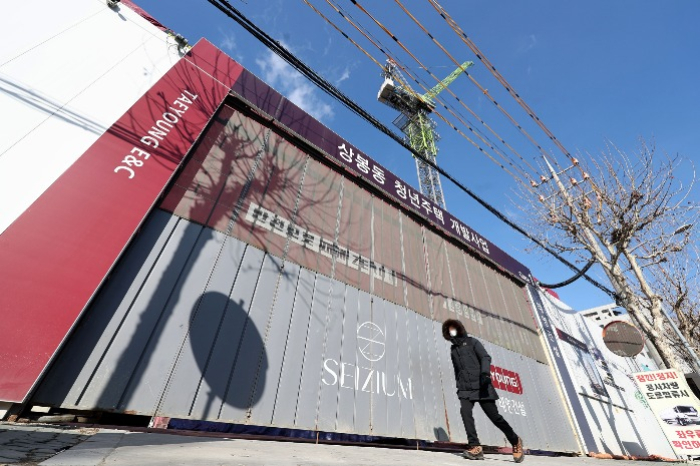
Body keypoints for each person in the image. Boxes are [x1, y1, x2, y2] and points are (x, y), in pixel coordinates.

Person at [442, 318, 524, 462]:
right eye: (449, 330)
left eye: (454, 328)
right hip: (465, 388)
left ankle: (515, 441)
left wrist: (485, 374)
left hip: (481, 384)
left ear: (459, 328)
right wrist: (459, 385)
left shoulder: (473, 342)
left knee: (495, 417)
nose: (452, 331)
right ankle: (475, 447)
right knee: (465, 412)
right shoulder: (453, 349)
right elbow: (457, 369)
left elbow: (485, 357)